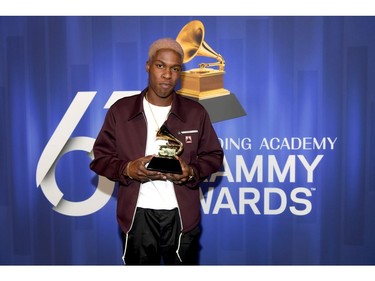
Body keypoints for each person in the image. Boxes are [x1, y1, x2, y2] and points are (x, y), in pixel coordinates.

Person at [90, 37, 224, 265]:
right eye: (161, 66)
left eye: (175, 68)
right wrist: (128, 169)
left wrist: (190, 172)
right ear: (148, 66)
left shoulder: (195, 112)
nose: (167, 74)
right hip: (137, 216)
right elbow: (100, 158)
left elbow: (214, 156)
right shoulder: (121, 111)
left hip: (182, 218)